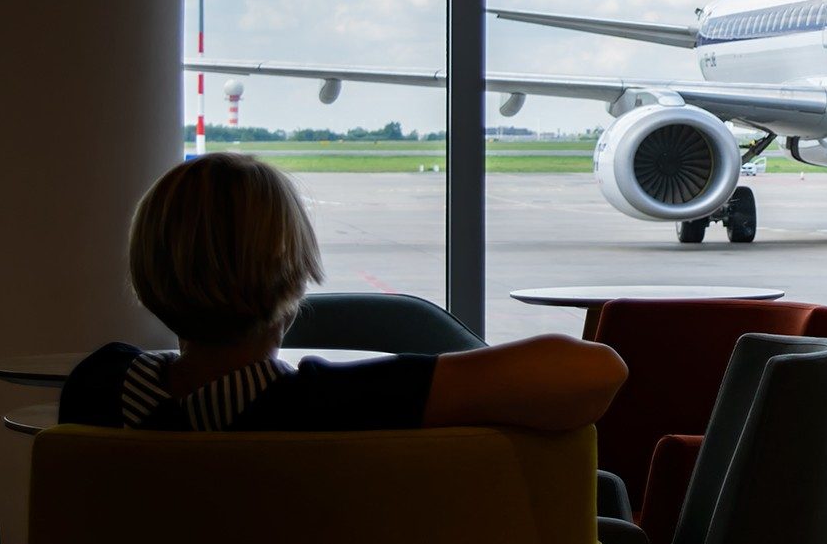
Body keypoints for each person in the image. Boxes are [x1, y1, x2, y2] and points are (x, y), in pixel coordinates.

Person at [60, 153, 628, 432]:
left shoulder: (97, 386)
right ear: (295, 272)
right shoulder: (334, 403)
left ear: (146, 271)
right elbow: (595, 371)